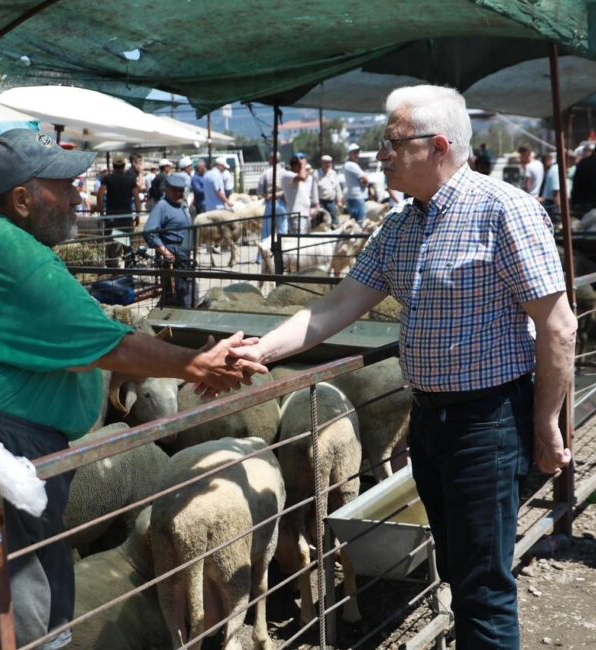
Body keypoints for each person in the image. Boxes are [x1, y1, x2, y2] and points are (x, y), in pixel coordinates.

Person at [0, 129, 266, 648]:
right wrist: (197, 364)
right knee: (22, 610)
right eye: (64, 185)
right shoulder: (10, 248)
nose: (78, 196)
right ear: (23, 199)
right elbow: (108, 343)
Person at [230, 85, 575, 648]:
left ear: (438, 146)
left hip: (487, 422)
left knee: (483, 588)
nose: (380, 155)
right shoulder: (401, 225)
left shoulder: (503, 210)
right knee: (461, 574)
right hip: (430, 421)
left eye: (392, 142)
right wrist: (259, 351)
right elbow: (337, 305)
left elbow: (558, 325)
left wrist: (546, 424)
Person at [143, 173, 195, 307]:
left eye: (181, 190)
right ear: (166, 190)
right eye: (175, 190)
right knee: (175, 292)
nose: (179, 193)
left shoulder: (183, 205)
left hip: (185, 255)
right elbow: (149, 232)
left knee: (185, 289)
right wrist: (165, 251)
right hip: (172, 257)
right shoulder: (162, 206)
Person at [279, 155, 319, 233]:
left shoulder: (297, 178)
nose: (303, 169)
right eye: (301, 166)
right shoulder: (287, 175)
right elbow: (303, 177)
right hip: (296, 215)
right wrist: (303, 164)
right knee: (299, 242)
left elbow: (306, 177)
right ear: (295, 165)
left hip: (304, 214)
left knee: (305, 242)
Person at [343, 143, 369, 221]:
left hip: (353, 197)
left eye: (357, 152)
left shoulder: (348, 164)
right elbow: (366, 179)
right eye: (354, 152)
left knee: (354, 223)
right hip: (357, 198)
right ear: (349, 154)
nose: (357, 154)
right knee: (361, 222)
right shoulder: (351, 165)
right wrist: (365, 184)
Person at [316, 154, 342, 226]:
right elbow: (314, 190)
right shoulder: (317, 174)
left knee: (334, 220)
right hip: (321, 202)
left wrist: (339, 200)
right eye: (325, 162)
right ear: (322, 163)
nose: (327, 164)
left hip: (331, 201)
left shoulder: (333, 173)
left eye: (329, 162)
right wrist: (316, 203)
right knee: (322, 222)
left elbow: (337, 187)